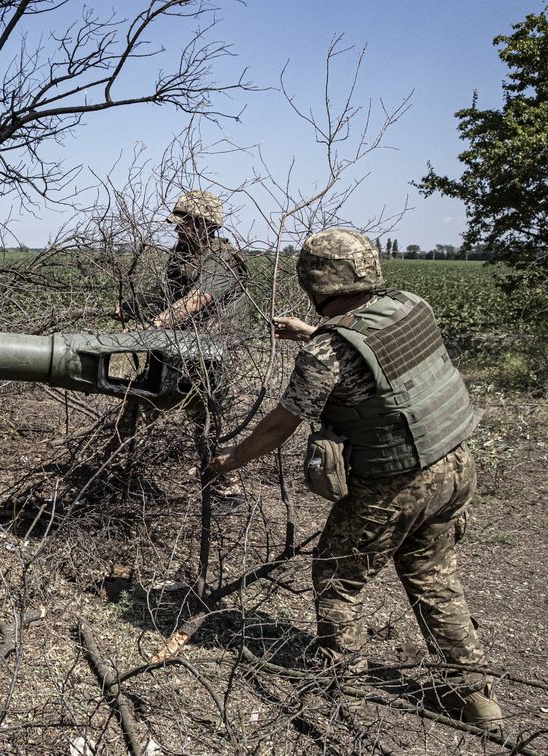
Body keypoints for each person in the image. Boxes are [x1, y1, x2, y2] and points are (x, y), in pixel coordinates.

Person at [209, 228, 501, 727]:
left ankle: (343, 685)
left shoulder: (327, 352)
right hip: (456, 464)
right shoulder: (411, 305)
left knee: (338, 577)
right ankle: (477, 697)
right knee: (434, 577)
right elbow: (379, 355)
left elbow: (282, 424)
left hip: (395, 484)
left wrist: (230, 460)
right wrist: (313, 333)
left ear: (316, 281)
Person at [109, 190, 249, 497]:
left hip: (213, 354)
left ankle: (225, 491)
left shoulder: (221, 259)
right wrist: (131, 307)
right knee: (140, 400)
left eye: (184, 223)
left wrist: (154, 326)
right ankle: (118, 469)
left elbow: (197, 300)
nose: (176, 228)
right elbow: (165, 293)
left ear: (206, 225)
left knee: (211, 420)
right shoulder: (183, 254)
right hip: (179, 347)